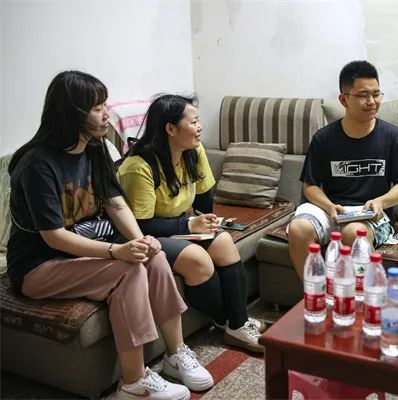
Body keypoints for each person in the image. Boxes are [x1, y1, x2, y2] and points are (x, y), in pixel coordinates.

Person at [7, 71, 213, 400]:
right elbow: (54, 237)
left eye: (104, 105)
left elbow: (114, 202)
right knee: (127, 271)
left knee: (155, 257)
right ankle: (133, 383)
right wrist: (116, 252)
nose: (107, 113)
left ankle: (176, 355)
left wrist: (141, 240)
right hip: (39, 265)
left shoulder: (95, 148)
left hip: (82, 254)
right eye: (97, 108)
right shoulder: (37, 164)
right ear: (71, 113)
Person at [117, 94, 263, 353]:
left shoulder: (194, 151)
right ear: (170, 129)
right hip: (142, 234)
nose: (200, 127)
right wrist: (189, 226)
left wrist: (207, 222)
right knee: (198, 259)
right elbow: (140, 225)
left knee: (224, 242)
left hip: (176, 223)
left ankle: (238, 325)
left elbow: (204, 198)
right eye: (193, 122)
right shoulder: (139, 167)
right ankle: (230, 319)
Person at [287, 60, 398, 277]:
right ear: (343, 99)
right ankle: (314, 292)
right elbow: (310, 186)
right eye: (363, 95)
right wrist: (329, 206)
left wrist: (381, 201)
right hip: (334, 211)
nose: (371, 102)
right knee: (299, 228)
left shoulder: (392, 136)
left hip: (371, 215)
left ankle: (359, 296)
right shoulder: (324, 139)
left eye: (376, 94)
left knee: (355, 233)